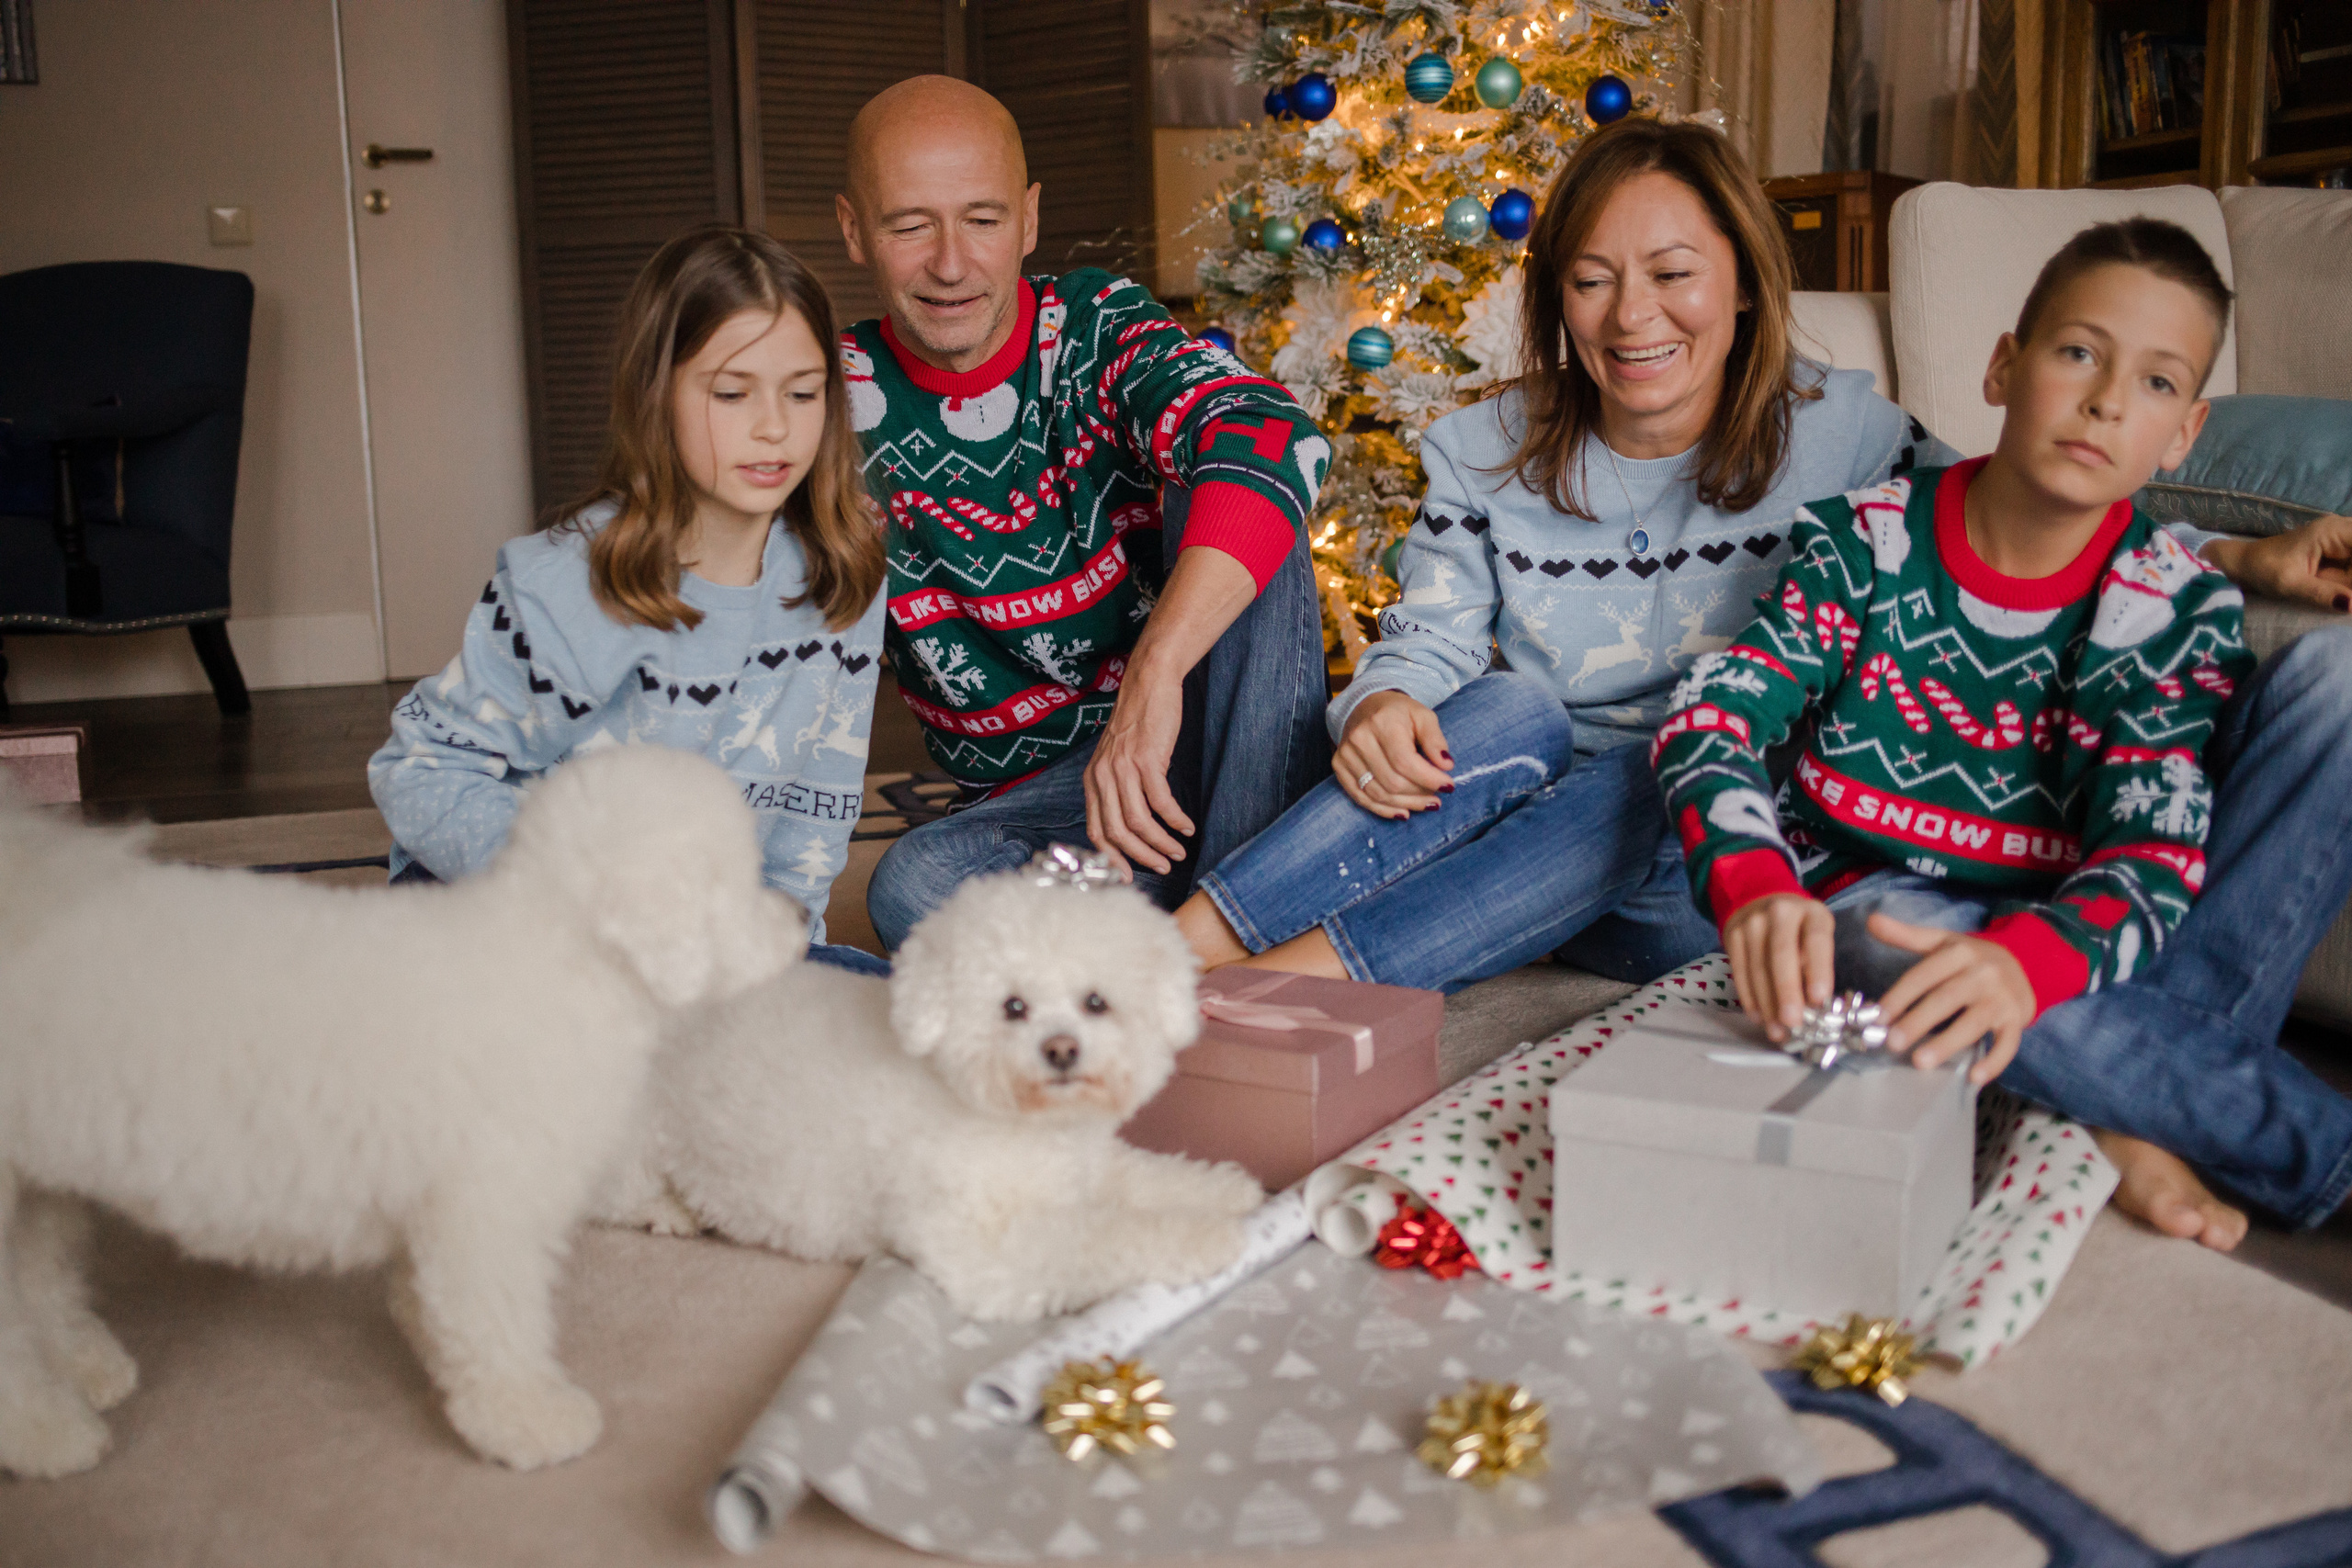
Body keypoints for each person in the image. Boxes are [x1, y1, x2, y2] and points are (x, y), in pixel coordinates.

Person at [1657, 217, 2352, 1248]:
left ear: (2184, 435)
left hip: (2055, 918)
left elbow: (2148, 854)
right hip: (1877, 900)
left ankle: (2119, 1097)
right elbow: (1714, 713)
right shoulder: (1865, 542)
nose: (2109, 401)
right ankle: (2225, 1127)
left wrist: (2031, 965)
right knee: (1900, 945)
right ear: (2002, 366)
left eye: (2156, 385)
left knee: (2341, 679)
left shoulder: (2173, 605)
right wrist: (1752, 885)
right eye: (2078, 353)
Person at [1174, 117, 1958, 994]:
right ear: (1557, 296)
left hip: (1706, 864)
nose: (1631, 316)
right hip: (1516, 809)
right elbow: (1431, 638)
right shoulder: (1483, 448)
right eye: (1592, 280)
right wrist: (1385, 704)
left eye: (1672, 274)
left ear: (1742, 280)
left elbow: (2012, 534)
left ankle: (1268, 988)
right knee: (1513, 710)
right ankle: (1176, 950)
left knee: (1672, 761)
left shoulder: (1852, 435)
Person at [839, 76, 1331, 950]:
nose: (951, 263)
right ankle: (1248, 915)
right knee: (913, 887)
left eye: (983, 220)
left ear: (1028, 221)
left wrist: (1154, 676)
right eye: (911, 224)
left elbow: (1278, 434)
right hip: (1045, 809)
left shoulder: (1096, 327)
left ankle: (1227, 911)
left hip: (1209, 745)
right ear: (853, 230)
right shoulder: (830, 404)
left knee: (1242, 476)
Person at [368, 226, 891, 975]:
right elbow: (418, 770)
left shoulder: (845, 572)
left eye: (802, 392)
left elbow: (814, 807)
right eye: (731, 392)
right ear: (658, 394)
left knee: (886, 1024)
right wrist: (586, 909)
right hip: (516, 918)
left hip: (693, 944)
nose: (774, 425)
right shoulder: (565, 581)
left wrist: (779, 961)